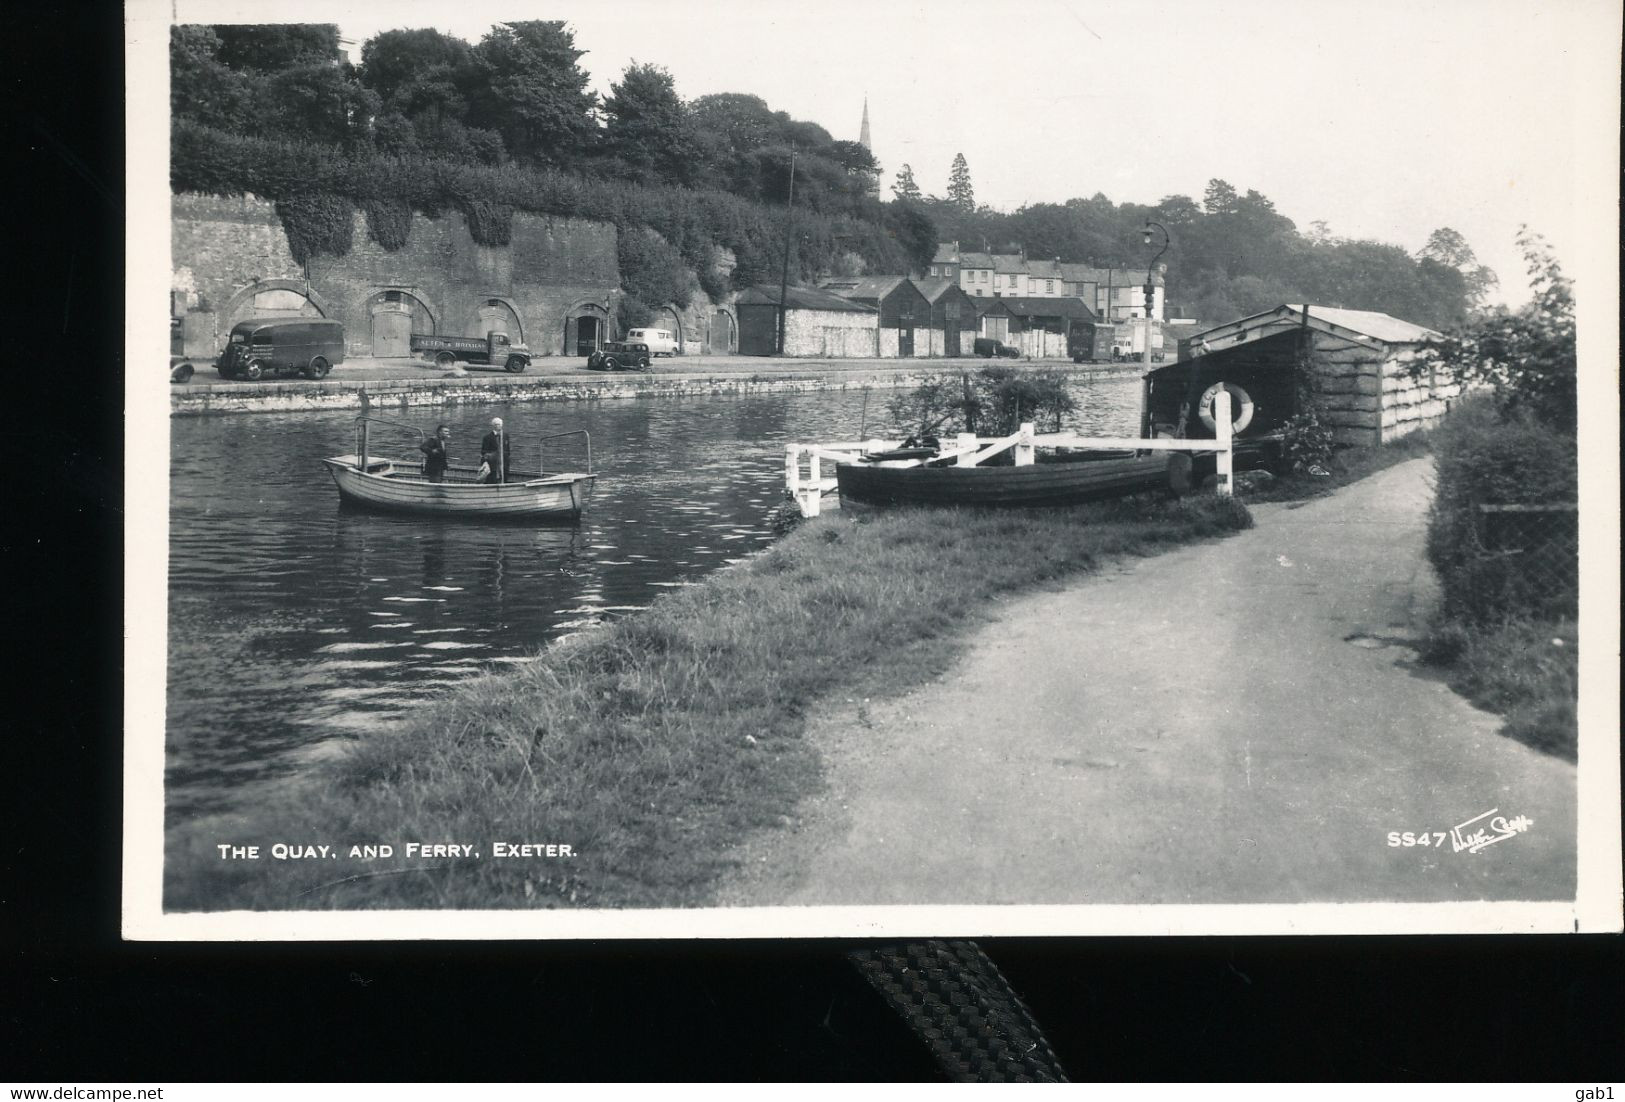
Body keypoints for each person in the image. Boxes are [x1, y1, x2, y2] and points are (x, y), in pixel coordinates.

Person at [480, 417, 512, 484]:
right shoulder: (487, 438)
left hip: (504, 464)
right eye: (497, 424)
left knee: (504, 478)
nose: (499, 426)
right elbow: (484, 452)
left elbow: (508, 450)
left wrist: (506, 458)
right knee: (492, 480)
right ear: (493, 425)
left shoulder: (505, 436)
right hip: (492, 465)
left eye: (500, 424)